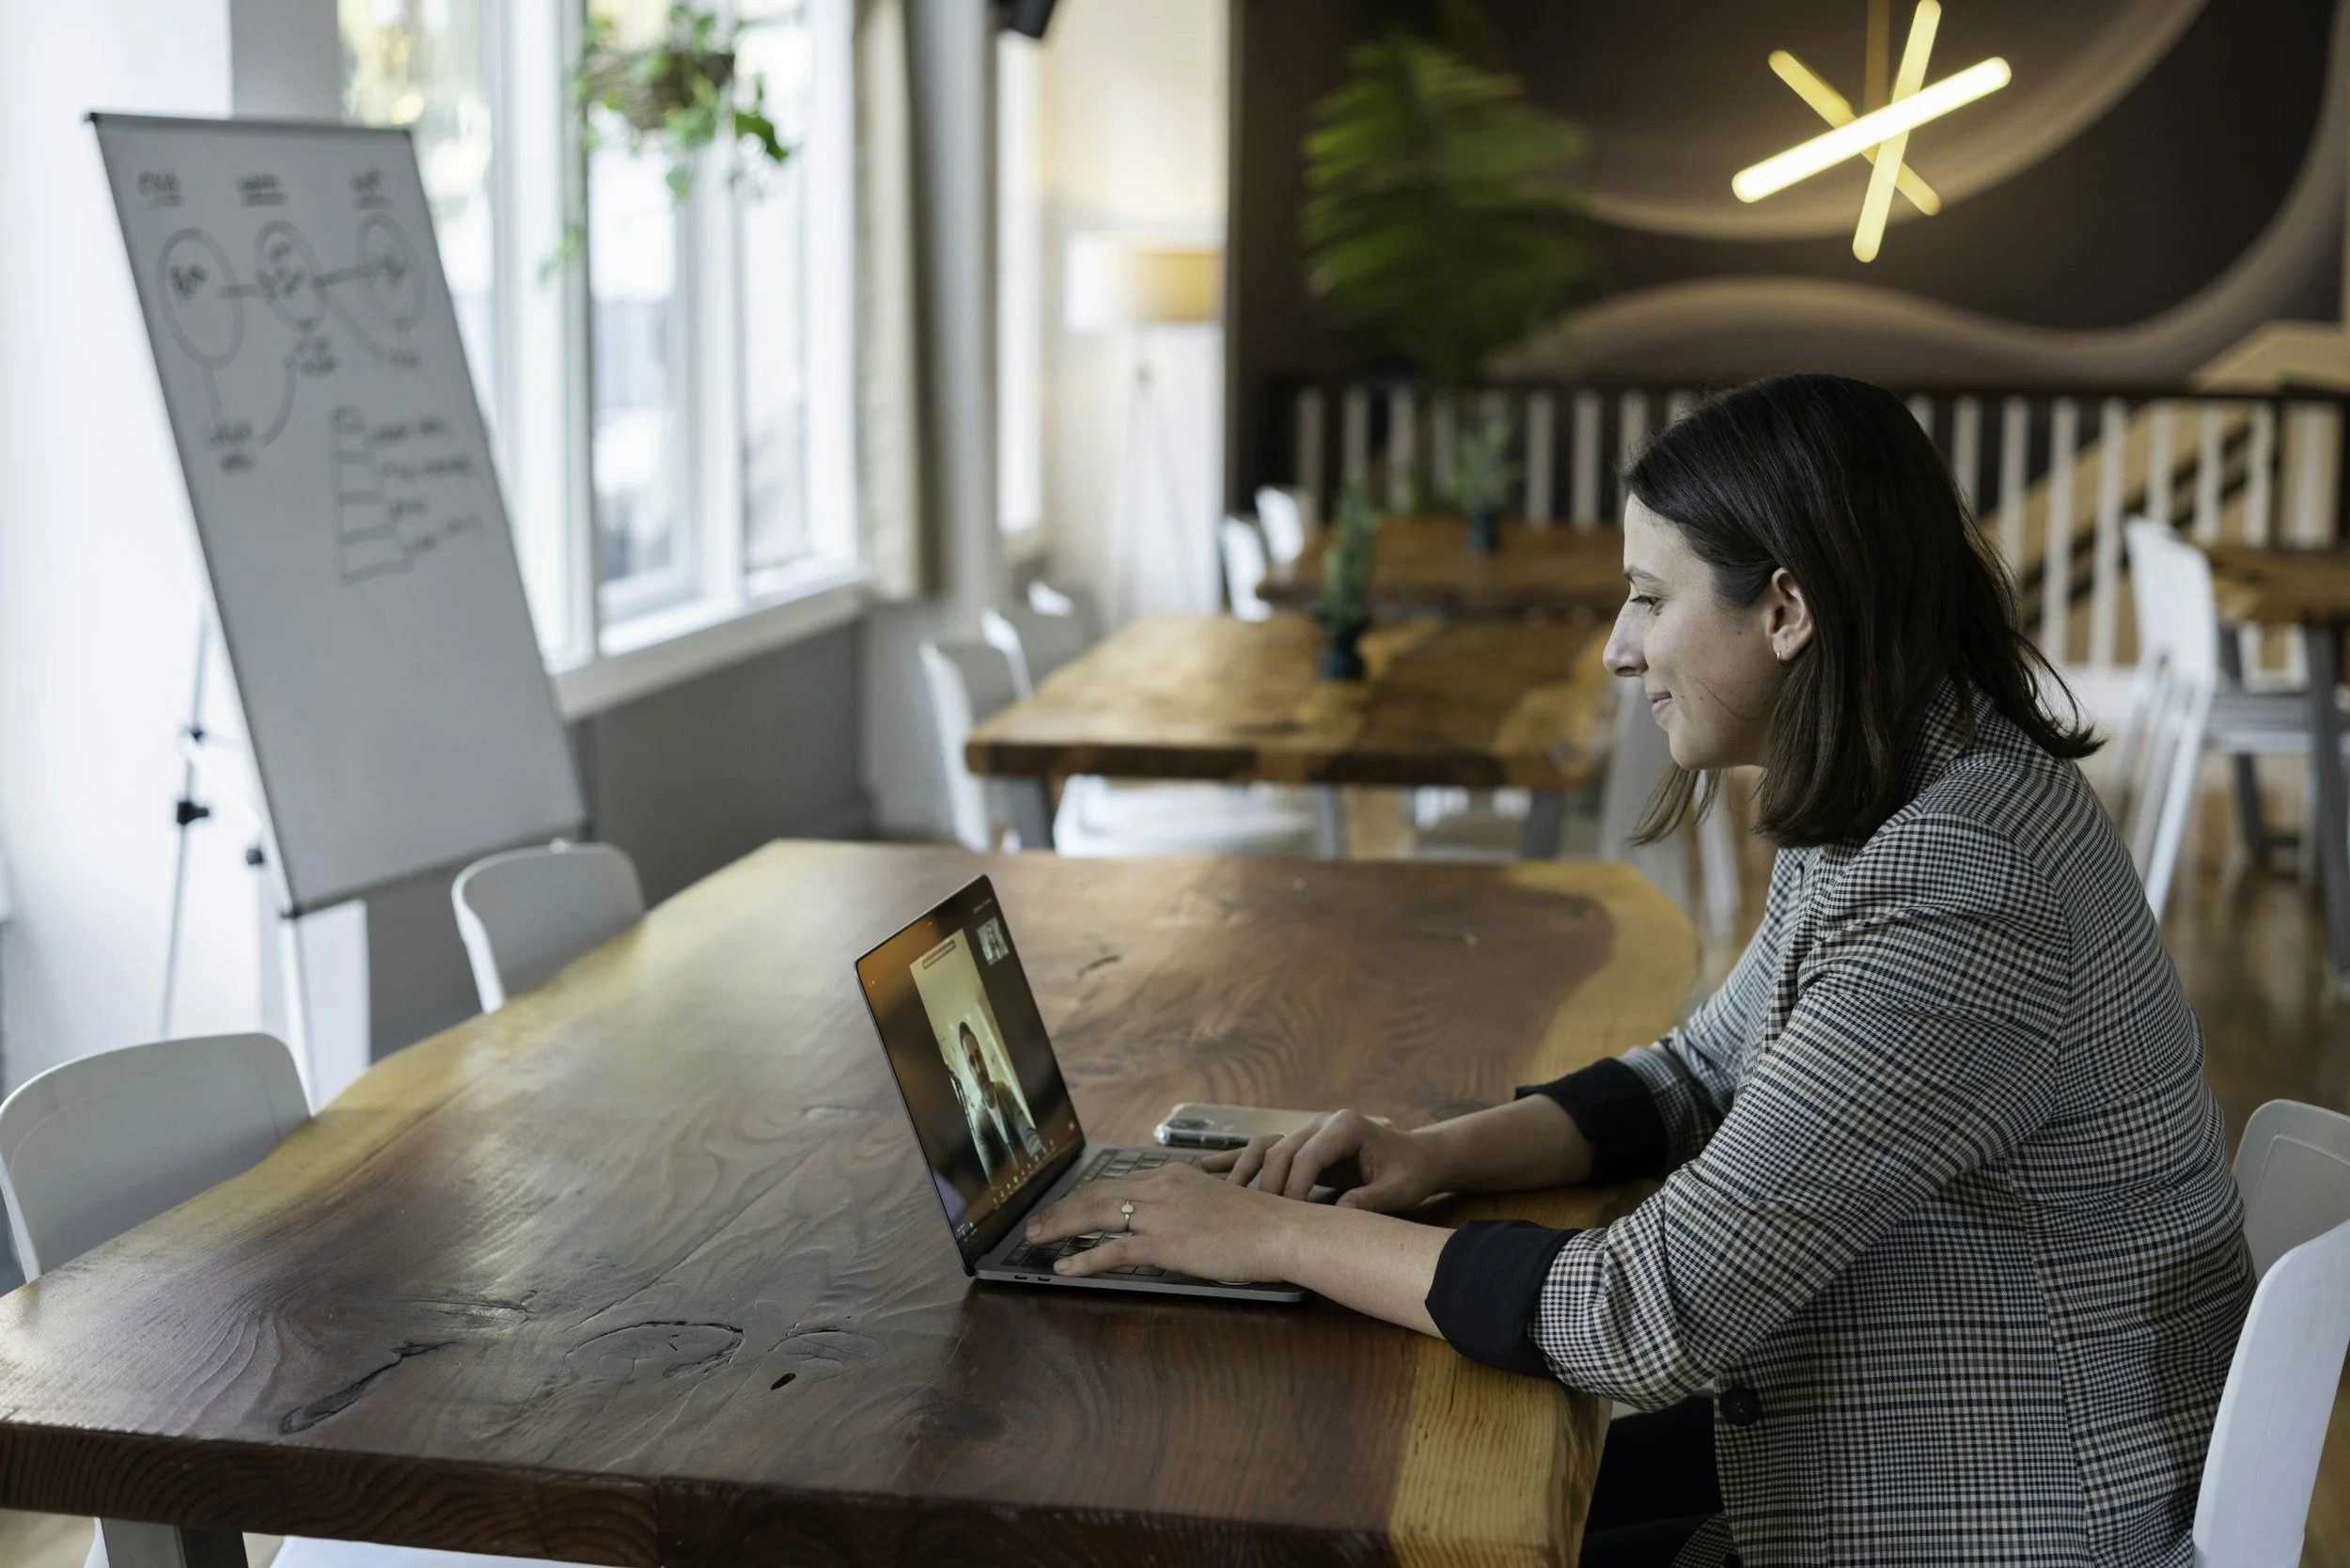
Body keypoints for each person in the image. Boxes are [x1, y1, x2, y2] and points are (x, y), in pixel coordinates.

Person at [1024, 374, 2254, 1567]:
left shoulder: (1966, 883)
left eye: (1649, 599)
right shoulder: (1918, 785)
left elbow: (1646, 1315)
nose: (1618, 649)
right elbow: (1701, 1073)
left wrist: (1268, 1239)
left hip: (1998, 1518)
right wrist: (1433, 1152)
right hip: (1892, 1450)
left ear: (1785, 609)